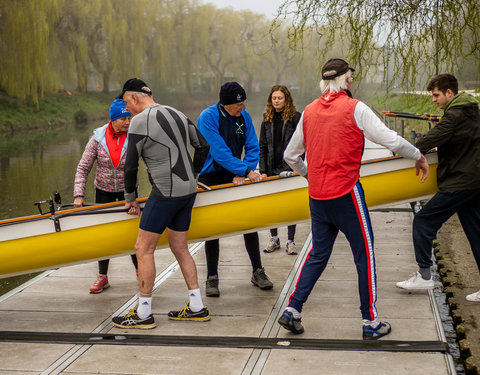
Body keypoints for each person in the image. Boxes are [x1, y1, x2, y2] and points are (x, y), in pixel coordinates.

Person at [279, 58, 429, 339]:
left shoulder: (309, 111)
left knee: (318, 254)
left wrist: (310, 175)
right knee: (365, 255)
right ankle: (370, 322)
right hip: (346, 193)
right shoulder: (355, 107)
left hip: (318, 196)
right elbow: (392, 140)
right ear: (347, 80)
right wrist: (418, 156)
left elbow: (290, 156)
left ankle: (293, 309)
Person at [111, 78, 211, 329]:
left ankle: (143, 313)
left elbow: (130, 166)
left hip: (165, 193)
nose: (127, 109)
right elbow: (203, 146)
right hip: (188, 191)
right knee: (180, 247)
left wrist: (130, 199)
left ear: (134, 98)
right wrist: (194, 175)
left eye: (126, 102)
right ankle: (197, 307)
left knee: (143, 249)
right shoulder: (177, 113)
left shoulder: (138, 121)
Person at [396, 74, 480, 302]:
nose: (434, 100)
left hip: (460, 181)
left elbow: (437, 135)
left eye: (436, 95)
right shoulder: (470, 111)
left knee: (423, 221)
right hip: (473, 180)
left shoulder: (456, 113)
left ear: (449, 93)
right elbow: (455, 140)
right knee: (475, 232)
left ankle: (424, 275)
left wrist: (409, 150)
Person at [197, 81, 274, 297]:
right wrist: (246, 171)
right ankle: (212, 277)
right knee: (213, 227)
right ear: (226, 104)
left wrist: (243, 171)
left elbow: (252, 147)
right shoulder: (207, 117)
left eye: (244, 103)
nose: (243, 108)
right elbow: (219, 151)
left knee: (248, 221)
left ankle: (257, 271)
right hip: (211, 174)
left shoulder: (245, 117)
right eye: (239, 104)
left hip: (236, 173)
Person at [74, 98, 138, 293]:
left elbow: (151, 162)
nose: (128, 122)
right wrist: (79, 195)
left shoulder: (135, 136)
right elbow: (83, 168)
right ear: (113, 119)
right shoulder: (97, 138)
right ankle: (102, 276)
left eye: (129, 118)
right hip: (103, 192)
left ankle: (141, 272)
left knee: (132, 233)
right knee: (104, 236)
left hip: (129, 193)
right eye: (123, 119)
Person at [259, 85, 302, 255]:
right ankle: (274, 238)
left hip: (289, 168)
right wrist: (262, 170)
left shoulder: (295, 118)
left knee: (290, 205)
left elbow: (302, 145)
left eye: (280, 98)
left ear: (286, 99)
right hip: (271, 168)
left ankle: (290, 241)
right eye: (274, 98)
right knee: (272, 205)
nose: (276, 101)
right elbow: (262, 146)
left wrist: (300, 166)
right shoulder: (266, 119)